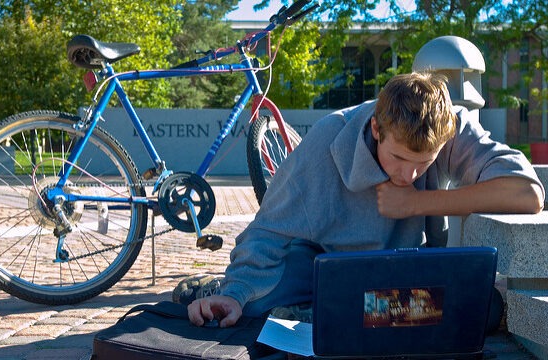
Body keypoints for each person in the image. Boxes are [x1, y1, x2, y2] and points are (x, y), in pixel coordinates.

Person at [185, 71, 545, 328]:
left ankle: (346, 315)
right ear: (376, 128)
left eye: (425, 164)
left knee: (485, 310)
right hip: (322, 266)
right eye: (399, 158)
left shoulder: (449, 126)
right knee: (249, 308)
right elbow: (267, 232)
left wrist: (416, 204)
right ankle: (214, 289)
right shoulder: (326, 142)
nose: (408, 176)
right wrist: (235, 292)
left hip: (401, 270)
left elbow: (527, 194)